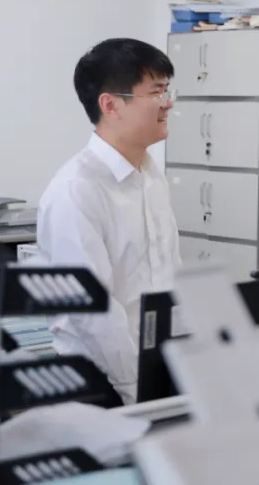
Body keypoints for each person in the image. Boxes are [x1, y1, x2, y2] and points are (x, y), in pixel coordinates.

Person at [36, 38, 180, 406]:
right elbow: (94, 315)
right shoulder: (76, 190)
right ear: (111, 105)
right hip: (100, 383)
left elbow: (169, 275)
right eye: (156, 92)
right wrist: (139, 392)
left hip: (155, 372)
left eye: (167, 90)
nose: (168, 103)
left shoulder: (150, 174)